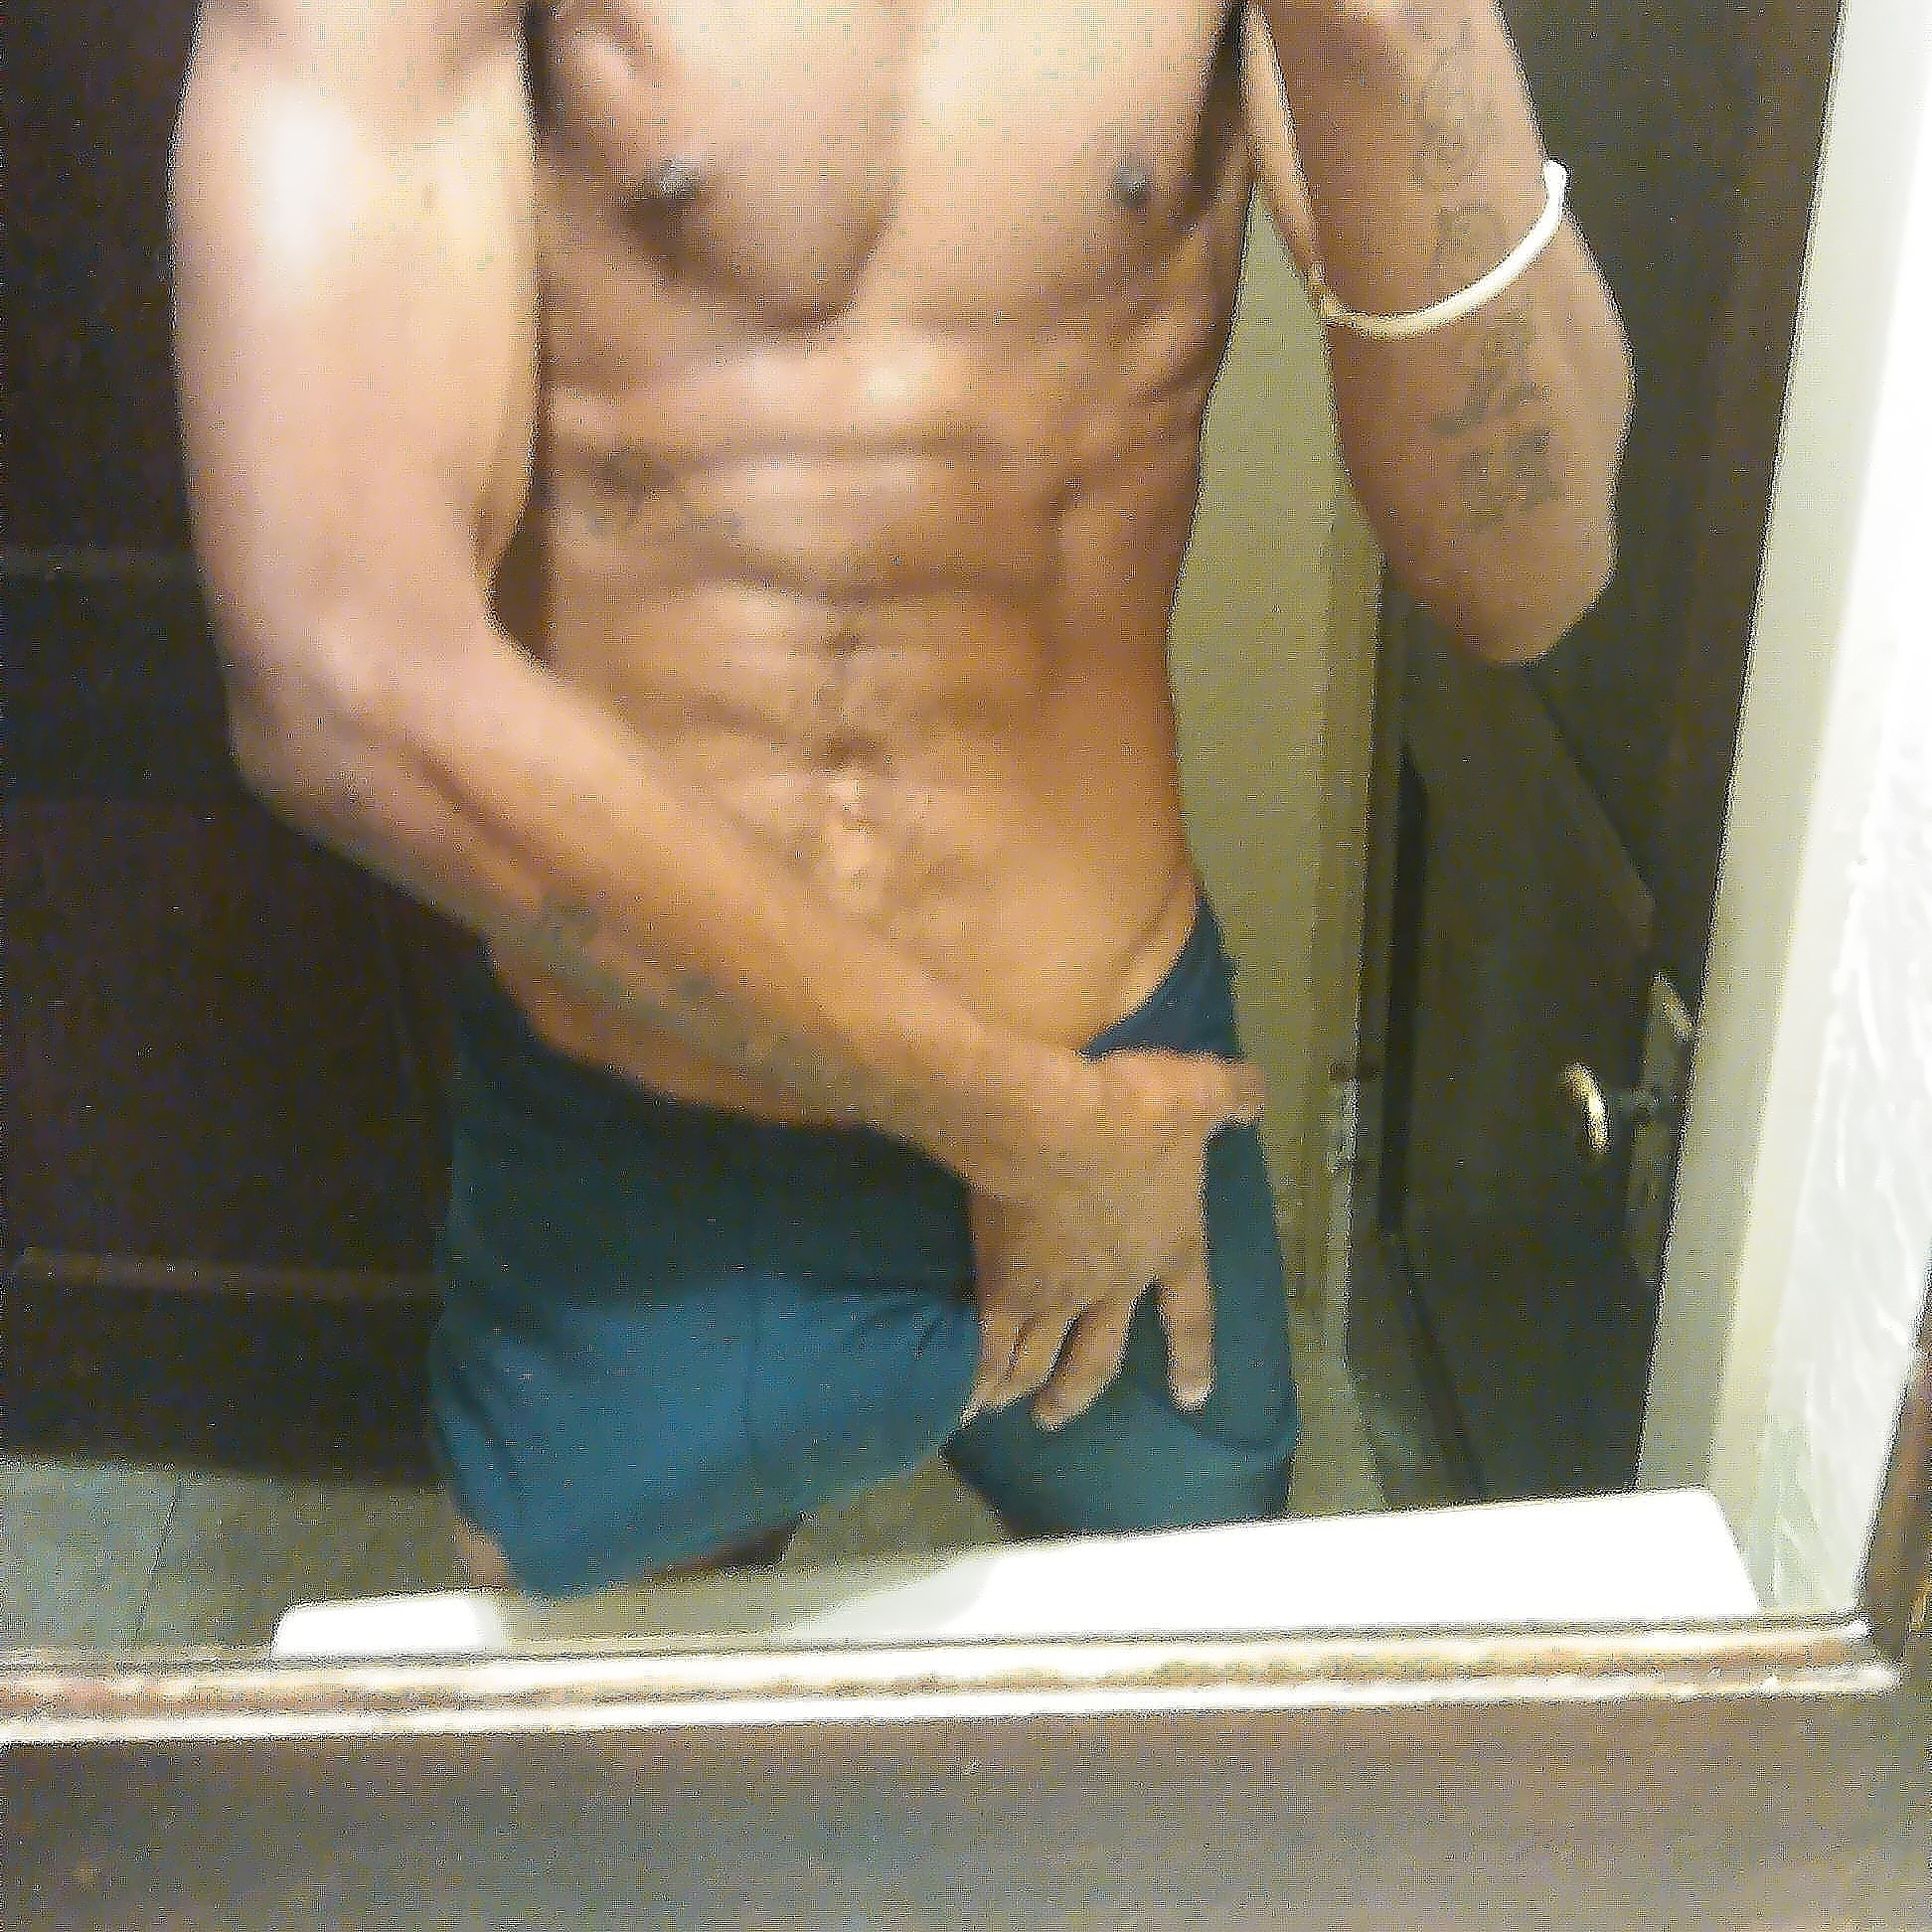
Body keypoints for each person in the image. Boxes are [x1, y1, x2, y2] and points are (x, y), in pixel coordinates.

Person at [170, 0, 1630, 1594]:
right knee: (622, 1736)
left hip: (1116, 1060)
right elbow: (346, 673)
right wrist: (1030, 1133)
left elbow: (1528, 584)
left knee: (1165, 1710)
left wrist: (1390, 30)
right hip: (684, 1125)